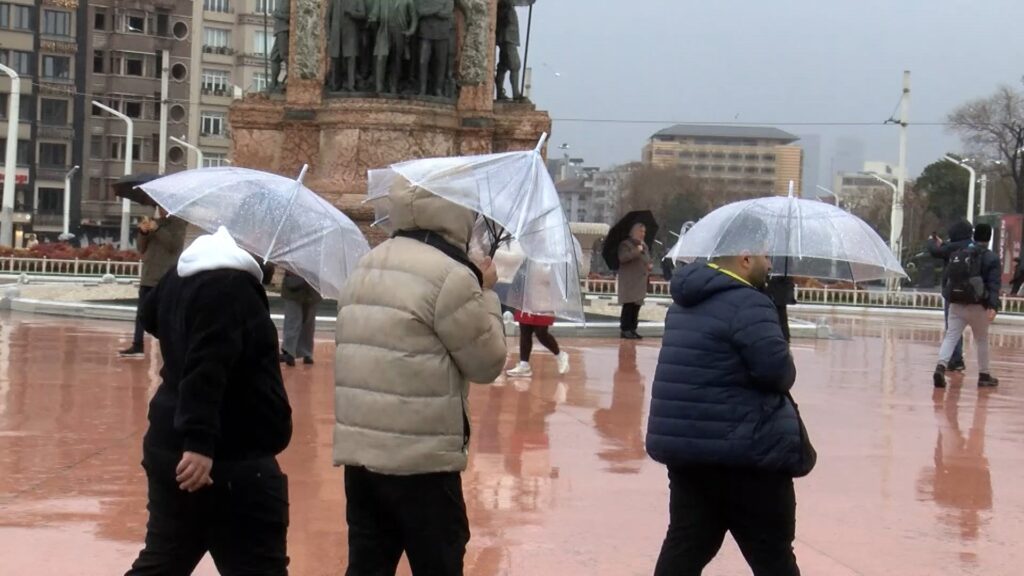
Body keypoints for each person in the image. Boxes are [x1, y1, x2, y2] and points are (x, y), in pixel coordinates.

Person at [334, 179, 507, 575]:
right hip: (422, 461)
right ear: (456, 212)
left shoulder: (366, 264)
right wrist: (486, 293)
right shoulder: (451, 276)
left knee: (368, 564)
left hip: (362, 456)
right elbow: (487, 364)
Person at [125, 227, 293, 575]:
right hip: (226, 457)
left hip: (172, 442)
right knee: (258, 566)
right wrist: (198, 442)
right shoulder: (230, 286)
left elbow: (151, 314)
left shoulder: (186, 271)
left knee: (164, 561)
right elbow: (208, 365)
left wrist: (182, 338)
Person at [647, 214, 806, 576]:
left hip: (689, 451)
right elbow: (778, 373)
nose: (770, 264)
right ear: (745, 258)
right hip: (746, 455)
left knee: (686, 547)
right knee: (773, 557)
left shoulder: (684, 303)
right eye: (766, 255)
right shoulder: (749, 304)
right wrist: (777, 314)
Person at [934, 223, 1001, 389]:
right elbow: (994, 284)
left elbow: (948, 278)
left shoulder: (959, 254)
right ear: (989, 238)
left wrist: (948, 295)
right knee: (981, 340)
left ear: (974, 236)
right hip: (978, 305)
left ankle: (940, 367)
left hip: (956, 303)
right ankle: (984, 375)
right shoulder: (991, 258)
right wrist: (993, 306)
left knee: (951, 337)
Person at [120, 211, 186, 358]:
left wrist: (157, 229)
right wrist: (143, 232)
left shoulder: (179, 224)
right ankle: (137, 345)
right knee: (141, 313)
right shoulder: (154, 222)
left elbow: (174, 245)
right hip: (148, 275)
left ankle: (170, 350)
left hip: (165, 277)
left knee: (165, 316)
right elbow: (141, 248)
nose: (161, 210)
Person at [928, 220, 974, 372]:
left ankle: (955, 359)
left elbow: (935, 252)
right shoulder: (973, 246)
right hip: (972, 292)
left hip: (954, 292)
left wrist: (931, 241)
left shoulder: (951, 247)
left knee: (953, 328)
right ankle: (983, 370)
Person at [505, 310, 570, 378]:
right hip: (526, 306)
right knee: (525, 330)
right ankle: (524, 364)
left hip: (542, 306)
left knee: (541, 333)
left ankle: (560, 355)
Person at [280, 271, 322, 366]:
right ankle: (293, 352)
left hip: (308, 287)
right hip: (303, 285)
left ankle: (293, 352)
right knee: (299, 321)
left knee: (302, 322)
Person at [617, 222, 652, 339]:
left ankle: (633, 328)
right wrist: (636, 250)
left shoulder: (644, 245)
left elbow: (646, 259)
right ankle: (625, 329)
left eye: (644, 232)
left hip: (640, 281)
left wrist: (649, 265)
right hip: (630, 281)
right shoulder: (625, 245)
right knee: (629, 305)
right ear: (634, 232)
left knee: (636, 306)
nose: (643, 234)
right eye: (640, 231)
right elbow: (623, 258)